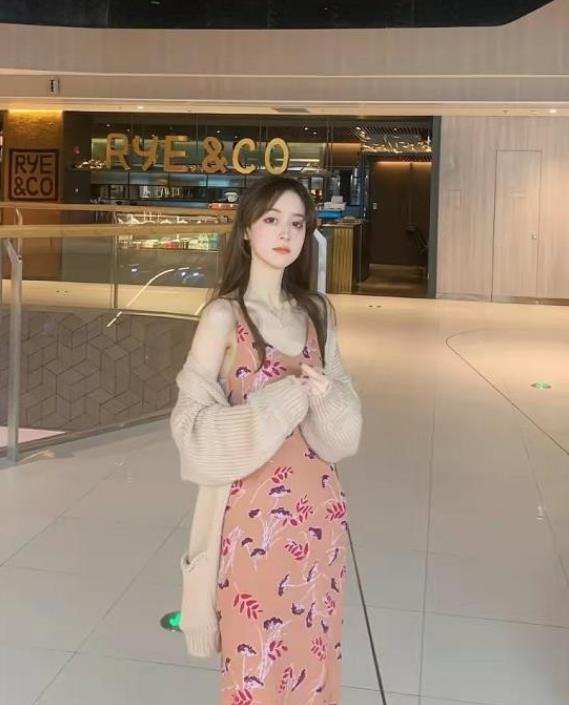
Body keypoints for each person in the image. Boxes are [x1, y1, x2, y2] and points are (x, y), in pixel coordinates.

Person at [170, 175, 362, 705]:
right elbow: (190, 431)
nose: (285, 234)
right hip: (251, 529)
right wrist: (276, 406)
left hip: (320, 522)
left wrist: (326, 398)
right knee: (255, 671)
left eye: (297, 223)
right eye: (272, 220)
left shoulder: (317, 314)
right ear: (247, 230)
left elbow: (345, 437)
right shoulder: (223, 318)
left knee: (313, 665)